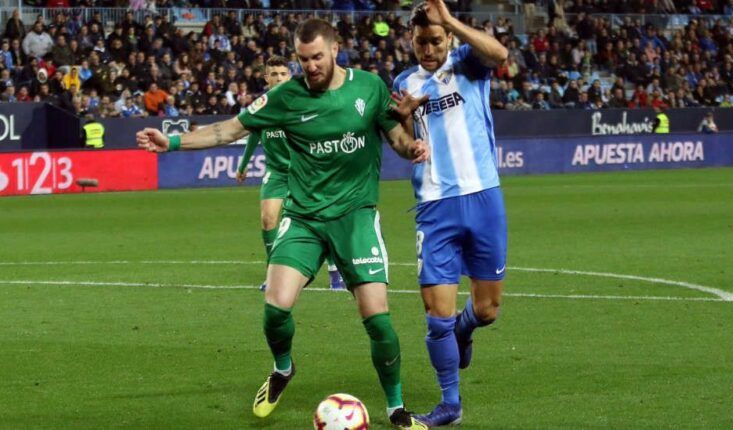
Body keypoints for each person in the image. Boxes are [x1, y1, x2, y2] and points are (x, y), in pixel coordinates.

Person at [136, 18, 429, 430]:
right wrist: (174, 142)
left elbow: (397, 139)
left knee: (377, 317)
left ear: (335, 49)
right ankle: (283, 369)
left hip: (356, 217)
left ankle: (396, 409)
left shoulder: (369, 86)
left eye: (317, 57)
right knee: (275, 308)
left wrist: (412, 141)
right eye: (303, 59)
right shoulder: (284, 97)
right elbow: (229, 129)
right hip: (305, 217)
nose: (310, 66)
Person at [391, 0, 509, 426]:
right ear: (410, 40)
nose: (428, 49)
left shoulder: (468, 65)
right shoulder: (403, 83)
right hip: (435, 206)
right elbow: (402, 143)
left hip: (484, 198)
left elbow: (500, 55)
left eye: (436, 40)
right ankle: (450, 404)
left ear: (449, 38)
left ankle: (466, 329)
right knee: (436, 315)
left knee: (488, 309)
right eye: (421, 42)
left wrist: (452, 20)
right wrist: (403, 120)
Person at [236, 56, 346, 291]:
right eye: (273, 74)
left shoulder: (302, 102)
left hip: (306, 173)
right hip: (277, 173)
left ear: (290, 76)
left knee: (322, 219)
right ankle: (273, 274)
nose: (279, 78)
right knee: (268, 219)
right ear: (266, 78)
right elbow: (253, 134)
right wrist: (243, 165)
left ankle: (335, 272)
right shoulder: (261, 107)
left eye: (283, 74)